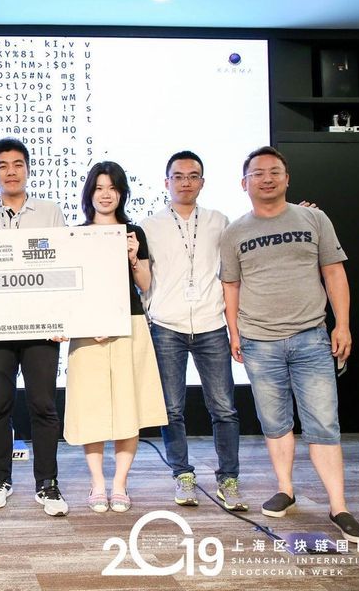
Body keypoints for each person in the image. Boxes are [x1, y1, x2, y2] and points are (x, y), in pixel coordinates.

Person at [220, 146, 359, 545]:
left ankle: (339, 506)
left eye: (274, 171)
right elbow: (231, 286)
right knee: (274, 422)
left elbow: (334, 273)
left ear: (287, 178)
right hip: (258, 341)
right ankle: (285, 489)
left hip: (310, 337)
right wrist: (234, 333)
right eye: (257, 173)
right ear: (244, 183)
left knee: (323, 423)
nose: (266, 178)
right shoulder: (234, 232)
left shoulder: (314, 219)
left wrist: (342, 325)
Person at [0, 137, 68, 517]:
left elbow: (62, 268)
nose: (11, 172)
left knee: (44, 405)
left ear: (27, 169)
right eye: (3, 166)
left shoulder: (50, 212)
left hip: (42, 326)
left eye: (18, 165)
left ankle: (48, 482)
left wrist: (62, 318)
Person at [141, 151, 246, 511]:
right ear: (166, 182)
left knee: (224, 408)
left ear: (202, 182)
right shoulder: (149, 226)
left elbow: (233, 271)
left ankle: (228, 479)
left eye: (193, 176)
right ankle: (182, 475)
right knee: (171, 408)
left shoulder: (220, 222)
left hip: (211, 323)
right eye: (178, 176)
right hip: (166, 326)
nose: (185, 182)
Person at [65, 161, 167, 513]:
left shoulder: (133, 231)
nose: (105, 194)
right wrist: (85, 323)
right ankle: (97, 484)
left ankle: (120, 484)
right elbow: (70, 286)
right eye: (99, 188)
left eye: (112, 188)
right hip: (87, 331)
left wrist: (134, 257)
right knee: (91, 407)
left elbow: (145, 284)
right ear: (89, 193)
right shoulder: (76, 235)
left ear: (122, 193)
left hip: (128, 326)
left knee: (128, 406)